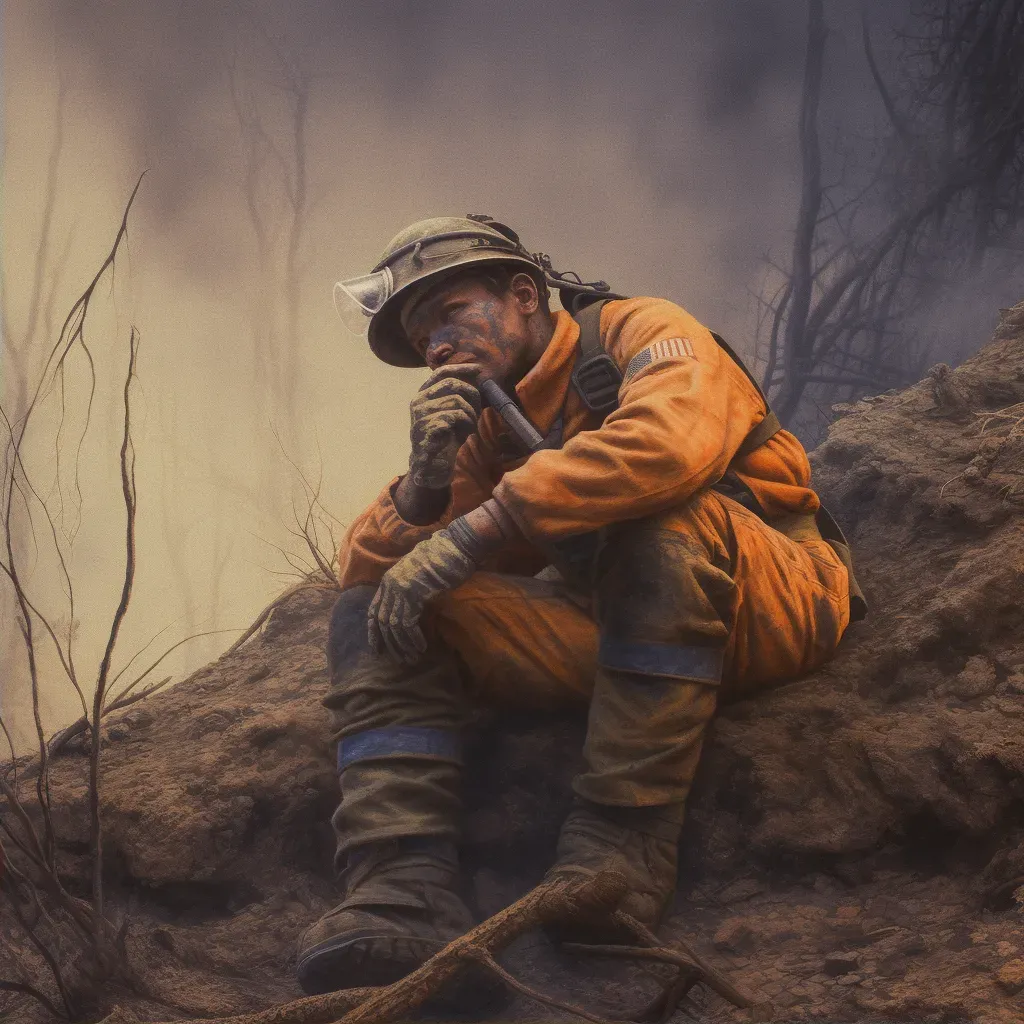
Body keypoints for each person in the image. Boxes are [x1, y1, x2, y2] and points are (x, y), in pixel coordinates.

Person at [295, 215, 864, 999]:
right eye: (422, 336)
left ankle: (618, 856)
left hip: (771, 603)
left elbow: (668, 449)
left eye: (449, 314)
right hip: (621, 633)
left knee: (662, 519)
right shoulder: (486, 420)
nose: (434, 347)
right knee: (379, 612)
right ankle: (401, 889)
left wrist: (477, 531)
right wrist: (424, 485)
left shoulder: (643, 331)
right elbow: (364, 569)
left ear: (524, 294)